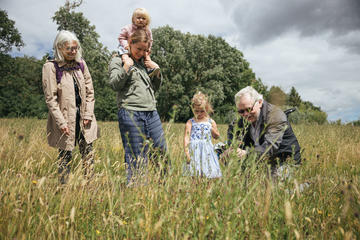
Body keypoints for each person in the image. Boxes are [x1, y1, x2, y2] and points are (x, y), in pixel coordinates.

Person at [108, 29, 167, 183]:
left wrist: (156, 69)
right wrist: (126, 66)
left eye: (144, 50)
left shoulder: (144, 64)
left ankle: (165, 187)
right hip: (130, 112)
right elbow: (114, 84)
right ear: (130, 44)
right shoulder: (118, 60)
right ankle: (137, 190)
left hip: (151, 112)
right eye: (138, 49)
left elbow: (155, 87)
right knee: (136, 153)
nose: (141, 52)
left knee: (160, 150)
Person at [42, 30, 99, 184]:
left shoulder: (81, 64)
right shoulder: (51, 67)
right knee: (65, 155)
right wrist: (61, 122)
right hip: (65, 119)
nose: (74, 51)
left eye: (75, 48)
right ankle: (63, 188)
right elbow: (51, 99)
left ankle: (90, 186)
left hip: (84, 118)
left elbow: (90, 91)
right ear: (60, 48)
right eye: (69, 49)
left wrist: (88, 114)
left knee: (88, 153)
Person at [225, 86, 301, 178]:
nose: (245, 114)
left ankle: (303, 187)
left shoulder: (276, 116)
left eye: (249, 109)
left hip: (284, 161)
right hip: (260, 161)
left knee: (271, 187)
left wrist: (246, 153)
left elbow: (270, 147)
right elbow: (233, 129)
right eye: (241, 111)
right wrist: (231, 148)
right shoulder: (244, 118)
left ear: (260, 102)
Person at [183, 92, 222, 178]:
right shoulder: (190, 122)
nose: (199, 114)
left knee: (208, 173)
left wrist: (212, 130)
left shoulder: (211, 122)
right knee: (194, 174)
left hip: (207, 151)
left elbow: (217, 136)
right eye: (196, 111)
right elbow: (186, 137)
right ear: (193, 109)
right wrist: (187, 152)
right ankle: (195, 189)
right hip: (194, 151)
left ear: (207, 109)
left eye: (202, 111)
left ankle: (208, 190)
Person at [117, 8, 157, 75]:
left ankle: (151, 69)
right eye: (138, 18)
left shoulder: (147, 30)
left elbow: (150, 40)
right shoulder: (128, 28)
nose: (141, 20)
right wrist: (126, 45)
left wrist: (148, 49)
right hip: (126, 46)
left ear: (147, 21)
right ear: (133, 19)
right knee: (124, 54)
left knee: (147, 57)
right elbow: (121, 37)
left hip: (142, 48)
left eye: (143, 18)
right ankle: (126, 64)